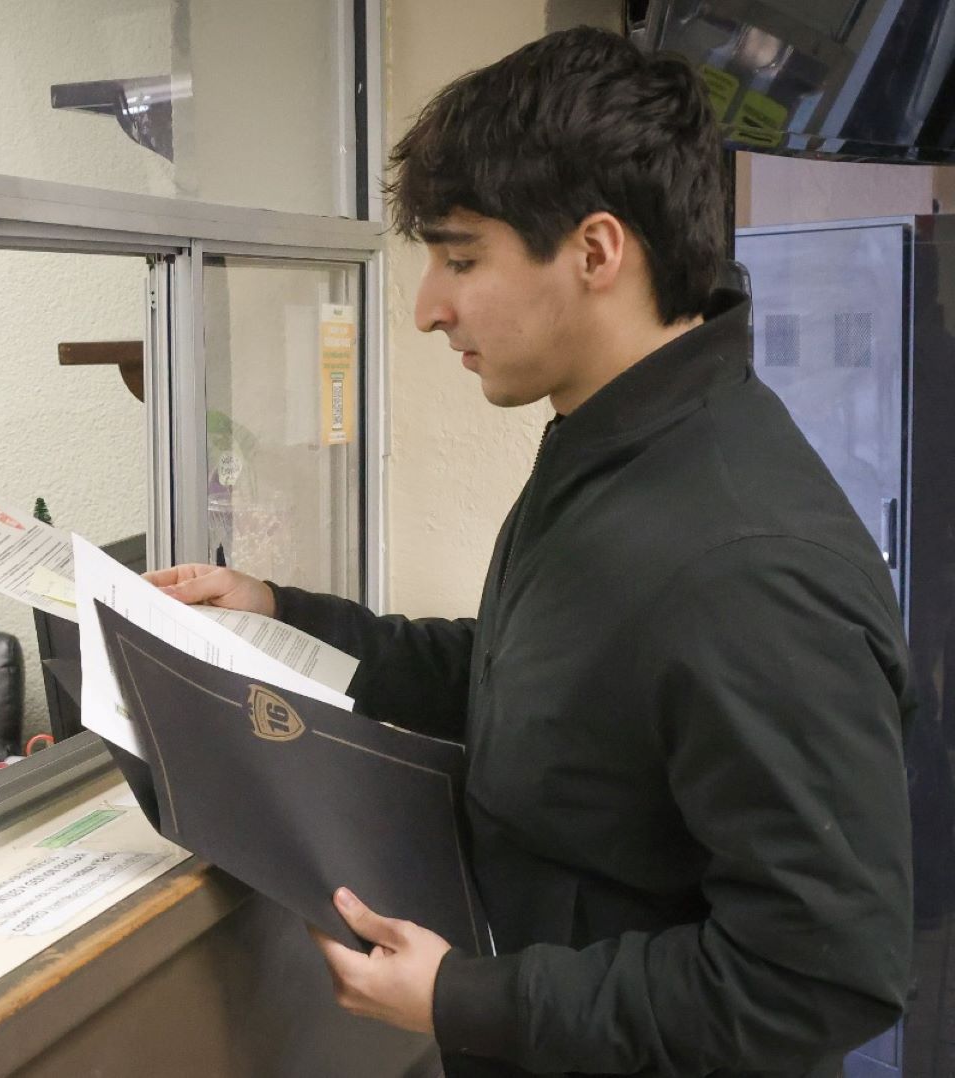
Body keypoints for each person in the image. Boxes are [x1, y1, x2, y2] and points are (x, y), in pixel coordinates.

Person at [147, 27, 912, 1078]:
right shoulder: (613, 445)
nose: (427, 308)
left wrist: (466, 997)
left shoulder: (747, 562)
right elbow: (531, 682)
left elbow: (816, 976)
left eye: (462, 258)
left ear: (598, 252)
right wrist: (280, 615)